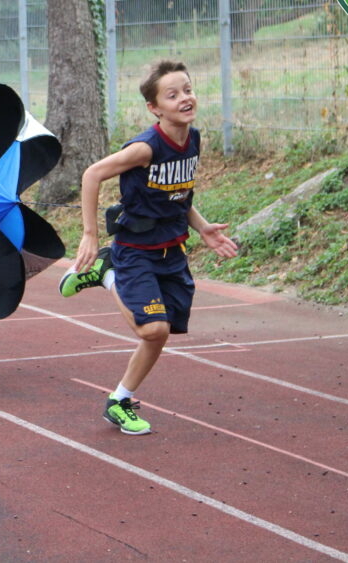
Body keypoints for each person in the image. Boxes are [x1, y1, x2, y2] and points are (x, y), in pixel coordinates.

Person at [58, 60, 238, 435]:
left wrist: (203, 228)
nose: (184, 98)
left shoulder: (193, 139)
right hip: (136, 250)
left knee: (163, 330)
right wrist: (90, 234)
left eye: (187, 90)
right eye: (172, 95)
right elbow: (92, 174)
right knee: (152, 329)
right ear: (155, 108)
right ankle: (107, 273)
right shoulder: (145, 148)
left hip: (172, 251)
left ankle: (119, 400)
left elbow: (178, 193)